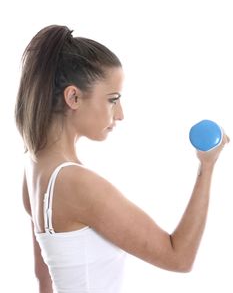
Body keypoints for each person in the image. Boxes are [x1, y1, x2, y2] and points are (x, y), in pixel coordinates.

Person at [15, 25, 229, 293]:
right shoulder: (77, 183)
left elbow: (42, 275)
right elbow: (179, 257)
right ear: (73, 97)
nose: (120, 114)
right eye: (112, 100)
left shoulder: (34, 164)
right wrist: (206, 166)